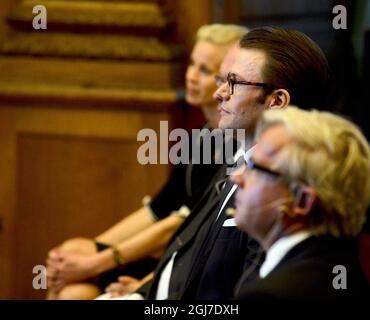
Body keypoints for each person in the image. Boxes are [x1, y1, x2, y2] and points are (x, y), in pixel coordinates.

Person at [45, 24, 249, 300]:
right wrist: (92, 248)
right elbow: (158, 209)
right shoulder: (202, 134)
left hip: (178, 258)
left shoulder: (237, 146)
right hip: (166, 250)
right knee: (73, 251)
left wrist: (95, 263)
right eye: (192, 64)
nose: (191, 76)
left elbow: (179, 225)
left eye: (205, 71)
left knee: (75, 291)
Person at [135, 26, 330, 300]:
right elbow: (189, 259)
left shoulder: (280, 190)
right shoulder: (239, 159)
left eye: (234, 83)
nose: (219, 93)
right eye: (222, 80)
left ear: (277, 101)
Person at [232, 106, 370, 301]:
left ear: (303, 201)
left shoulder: (269, 297)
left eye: (255, 168)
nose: (237, 177)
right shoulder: (349, 274)